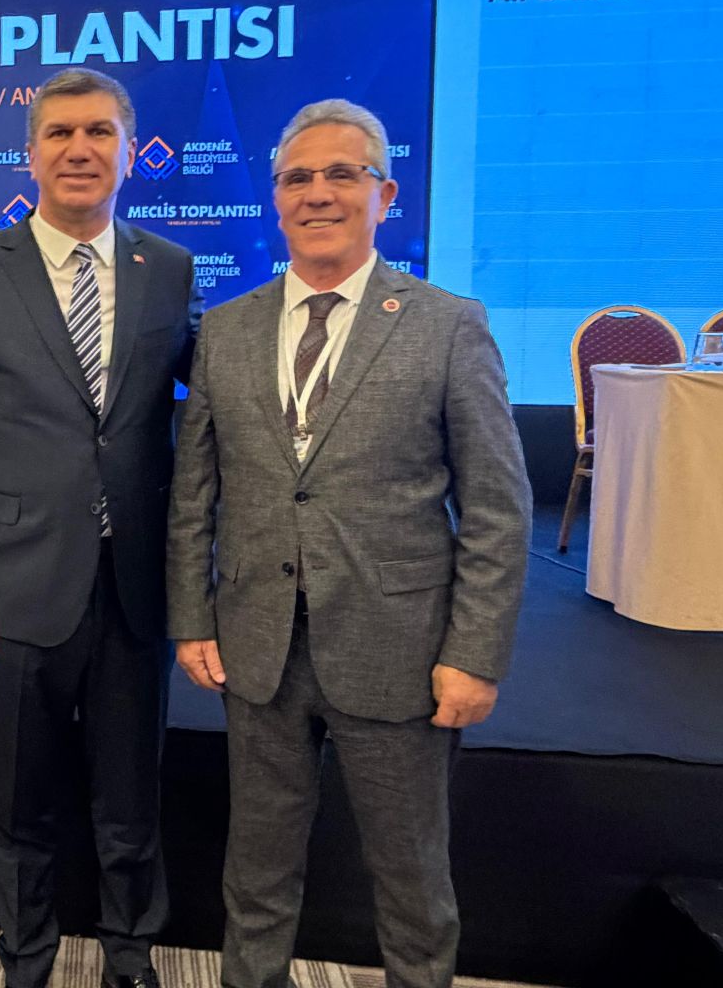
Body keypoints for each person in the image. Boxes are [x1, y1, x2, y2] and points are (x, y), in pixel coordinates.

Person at [166, 99, 532, 988]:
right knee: (256, 868)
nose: (318, 193)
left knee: (410, 877)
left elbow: (497, 506)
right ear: (275, 198)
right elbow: (194, 491)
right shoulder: (227, 329)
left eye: (342, 174)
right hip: (257, 646)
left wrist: (475, 654)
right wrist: (192, 617)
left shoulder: (447, 325)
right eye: (297, 178)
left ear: (385, 194)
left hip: (398, 649)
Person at [0, 68, 201, 988]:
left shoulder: (170, 269)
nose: (80, 149)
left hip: (135, 587)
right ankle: (25, 958)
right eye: (61, 133)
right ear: (31, 154)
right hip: (15, 586)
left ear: (130, 152)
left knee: (131, 796)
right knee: (20, 800)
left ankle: (130, 954)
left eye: (100, 132)